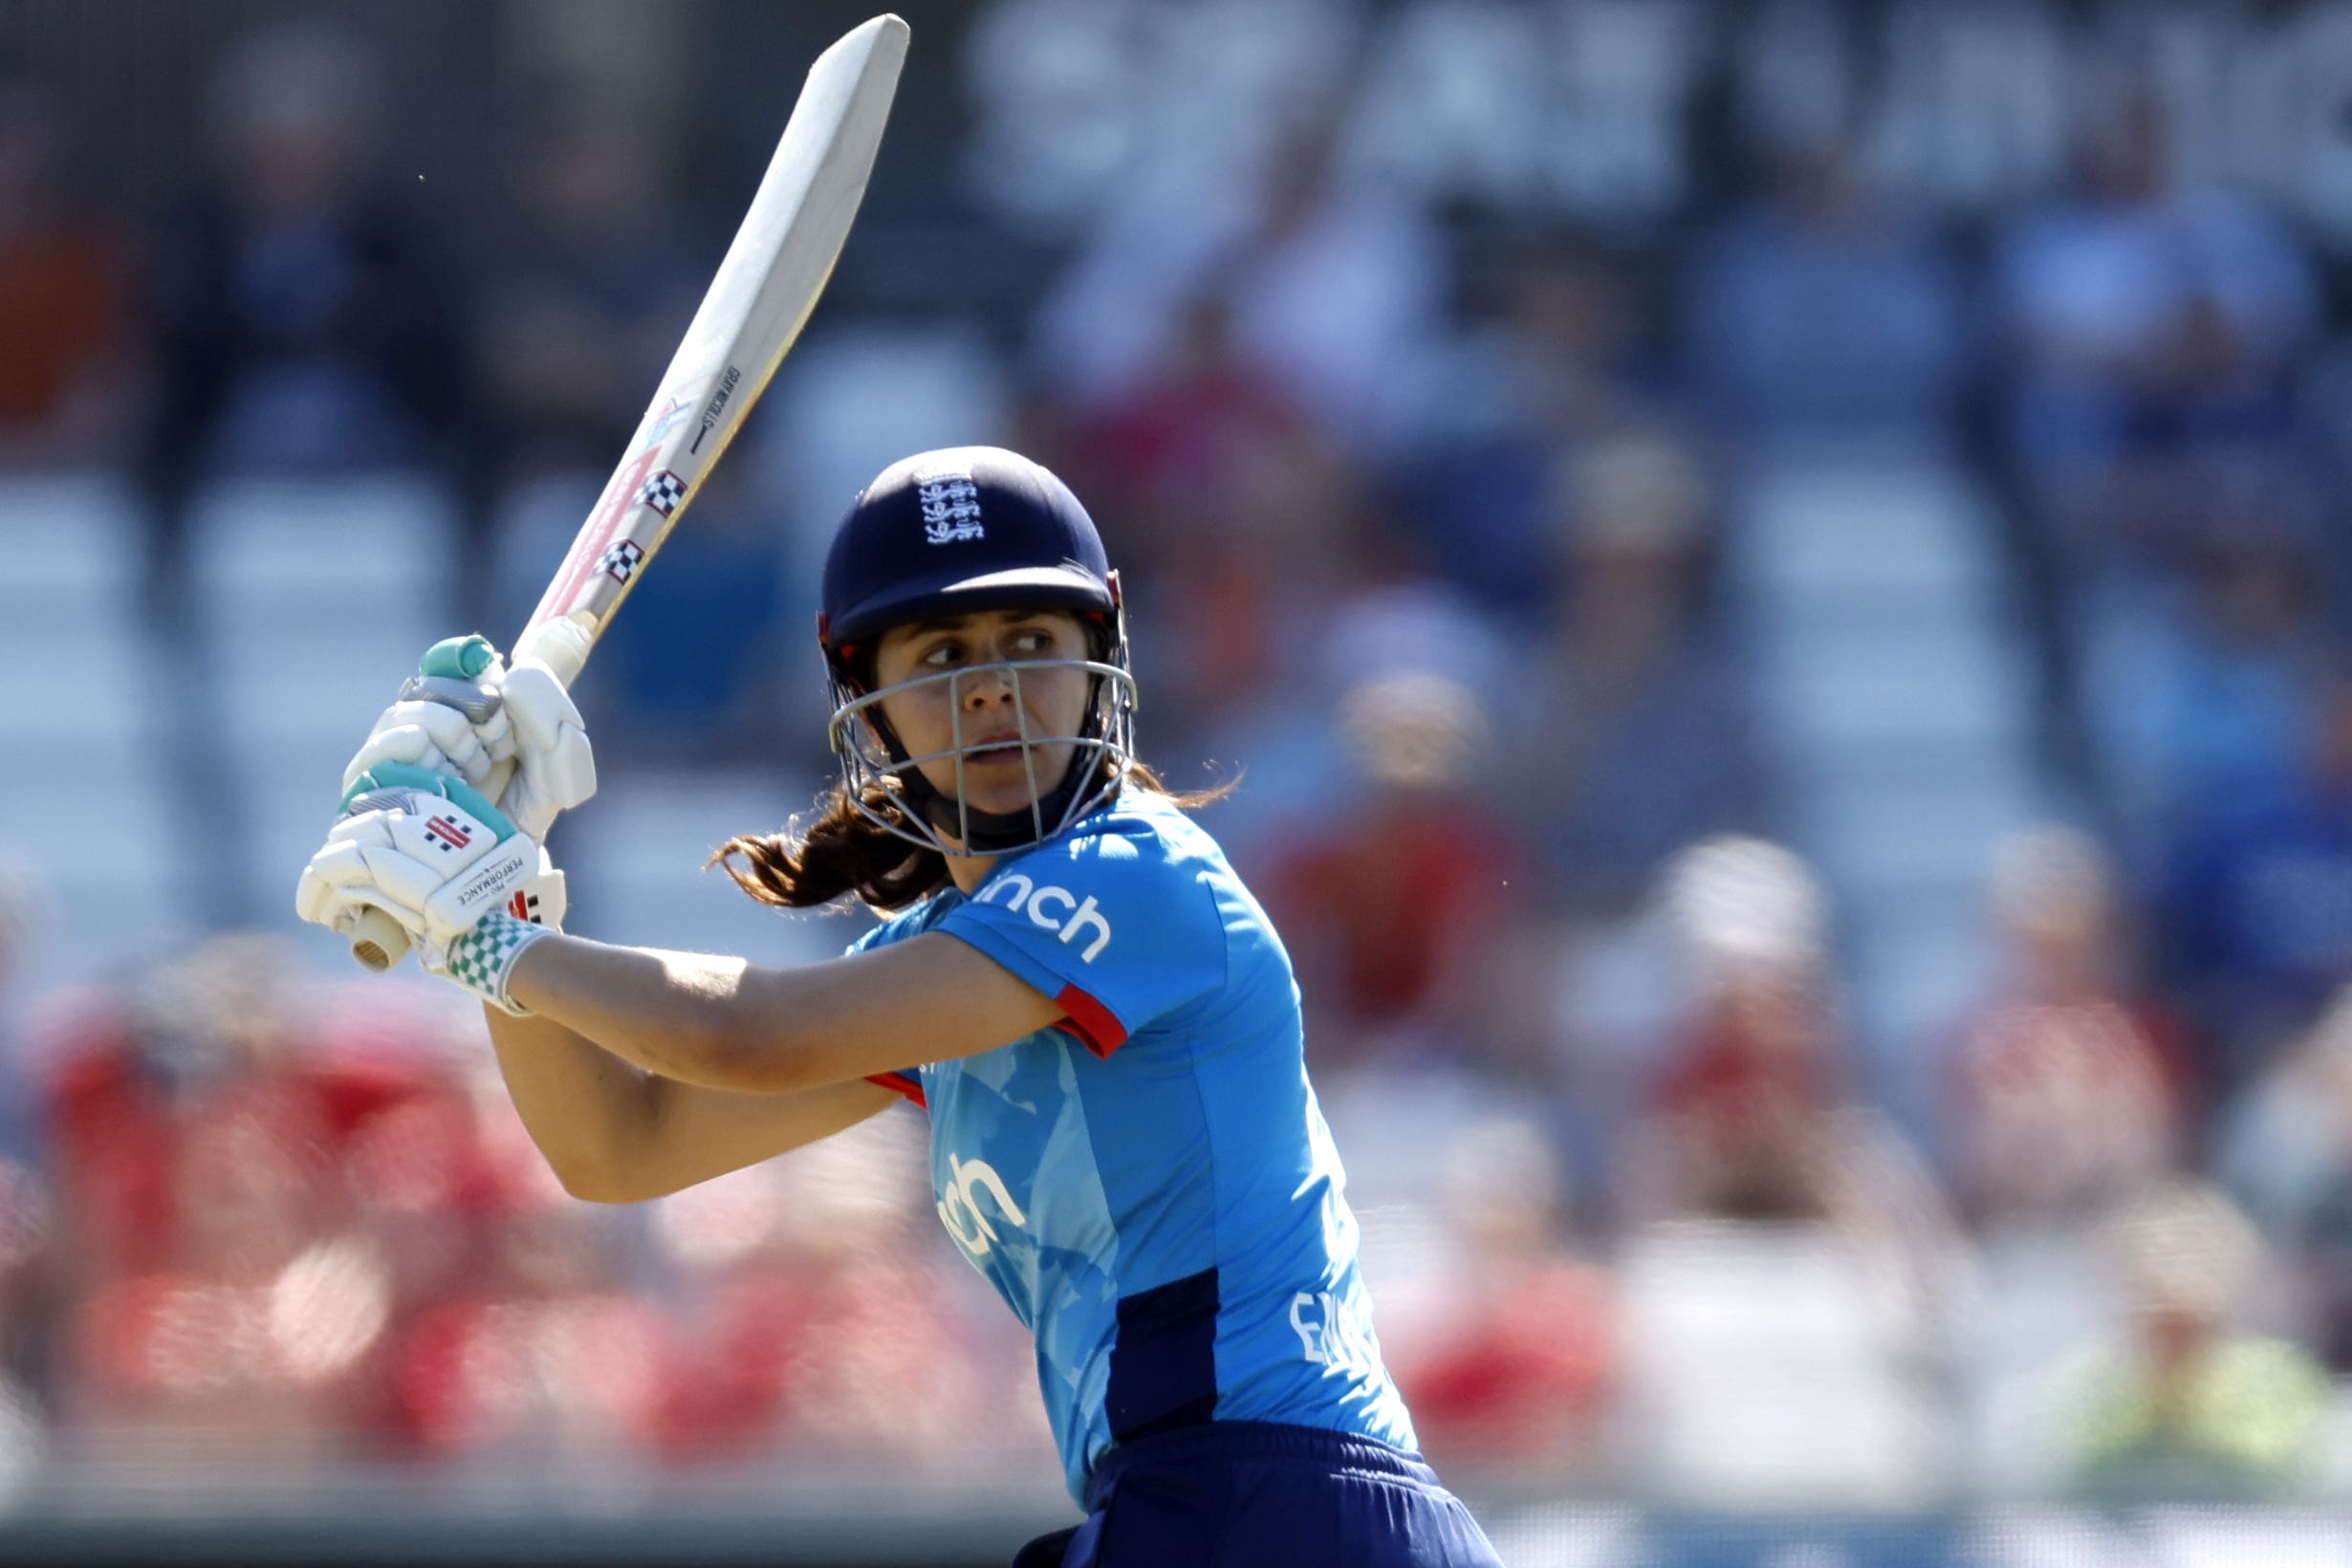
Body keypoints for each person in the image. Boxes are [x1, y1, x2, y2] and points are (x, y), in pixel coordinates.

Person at [294, 447, 1503, 1566]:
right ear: (866, 707)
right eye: (940, 658)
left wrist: (496, 927)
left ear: (1100, 665)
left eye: (1028, 639)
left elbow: (751, 1035)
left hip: (1282, 1507)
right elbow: (621, 1144)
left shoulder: (1141, 877)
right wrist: (515, 887)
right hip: (1200, 1513)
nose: (992, 692)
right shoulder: (945, 971)